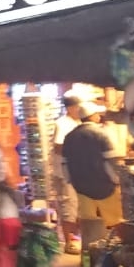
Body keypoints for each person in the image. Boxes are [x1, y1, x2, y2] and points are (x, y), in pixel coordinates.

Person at [62, 102, 124, 249]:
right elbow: (112, 160)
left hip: (82, 188)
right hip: (105, 186)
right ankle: (116, 255)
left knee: (88, 223)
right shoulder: (102, 134)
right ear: (93, 116)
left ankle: (89, 256)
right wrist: (117, 179)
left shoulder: (70, 137)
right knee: (117, 222)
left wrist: (71, 181)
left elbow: (65, 164)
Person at [50, 93, 83, 253]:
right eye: (77, 106)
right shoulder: (62, 123)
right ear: (70, 108)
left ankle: (75, 238)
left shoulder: (77, 122)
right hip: (64, 172)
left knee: (75, 205)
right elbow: (58, 146)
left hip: (74, 170)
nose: (79, 109)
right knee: (68, 205)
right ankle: (69, 240)